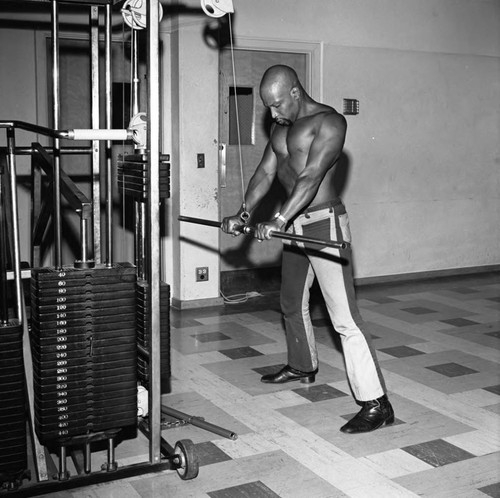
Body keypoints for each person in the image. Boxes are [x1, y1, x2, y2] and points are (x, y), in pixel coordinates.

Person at [221, 65, 394, 434]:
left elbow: (311, 176)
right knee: (290, 301)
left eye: (278, 103)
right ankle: (302, 365)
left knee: (344, 317)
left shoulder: (330, 123)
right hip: (294, 224)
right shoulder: (281, 127)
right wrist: (244, 212)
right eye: (268, 107)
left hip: (322, 222)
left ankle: (377, 403)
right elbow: (267, 173)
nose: (273, 114)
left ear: (296, 91)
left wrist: (280, 218)